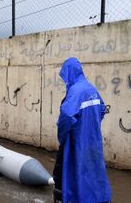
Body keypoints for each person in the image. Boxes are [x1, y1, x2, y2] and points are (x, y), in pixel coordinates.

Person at [53, 57, 111, 203]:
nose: (65, 81)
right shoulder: (91, 88)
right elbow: (102, 109)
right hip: (93, 140)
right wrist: (90, 125)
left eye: (65, 77)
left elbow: (66, 116)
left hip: (77, 140)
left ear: (69, 73)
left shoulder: (75, 91)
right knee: (92, 172)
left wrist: (63, 137)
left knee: (65, 173)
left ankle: (67, 198)